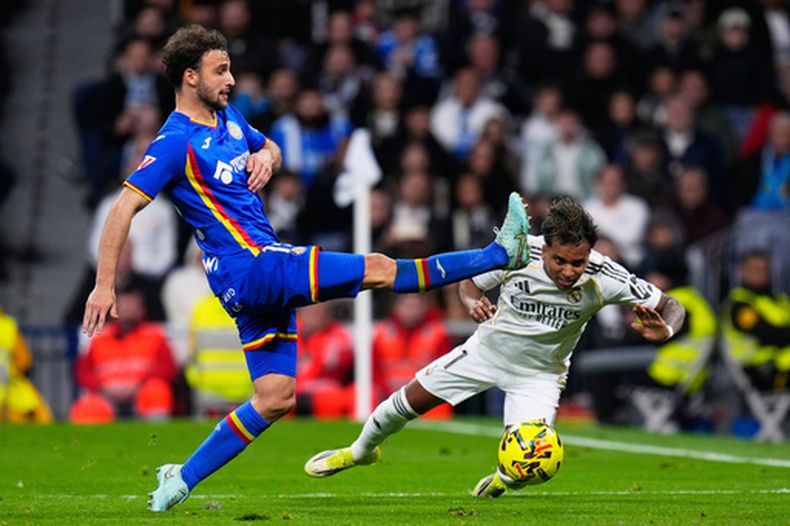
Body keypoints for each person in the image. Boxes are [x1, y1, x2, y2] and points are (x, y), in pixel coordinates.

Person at [81, 25, 532, 512]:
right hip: (255, 268)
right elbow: (122, 207)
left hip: (248, 282)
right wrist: (104, 285)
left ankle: (179, 480)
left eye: (229, 67)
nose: (231, 79)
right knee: (381, 267)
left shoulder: (229, 118)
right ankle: (500, 254)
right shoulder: (174, 141)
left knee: (275, 396)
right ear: (190, 77)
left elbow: (269, 145)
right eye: (221, 70)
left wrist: (267, 159)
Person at [304, 197, 685, 499]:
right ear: (545, 246)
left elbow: (672, 304)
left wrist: (666, 326)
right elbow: (469, 283)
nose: (570, 271)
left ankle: (505, 479)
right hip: (486, 354)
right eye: (560, 261)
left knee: (532, 465)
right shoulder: (519, 253)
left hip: (539, 374)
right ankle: (361, 451)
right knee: (402, 405)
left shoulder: (605, 275)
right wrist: (472, 303)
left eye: (578, 262)